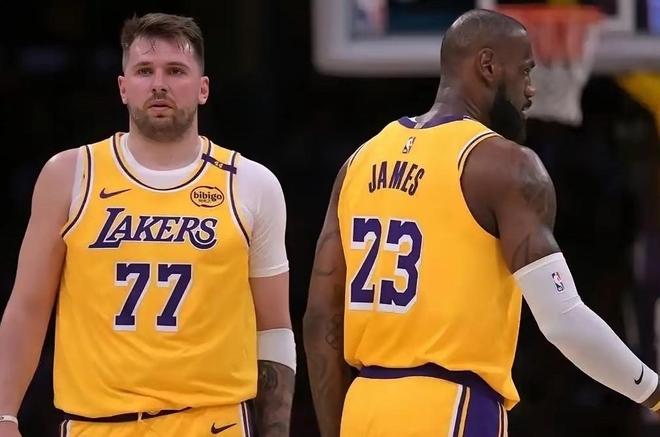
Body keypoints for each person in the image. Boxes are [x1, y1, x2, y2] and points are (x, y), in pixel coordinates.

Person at [303, 8, 660, 437]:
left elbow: (321, 320)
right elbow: (563, 319)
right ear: (488, 66)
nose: (531, 89)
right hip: (450, 406)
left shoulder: (358, 162)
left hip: (364, 407)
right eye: (525, 71)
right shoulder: (504, 165)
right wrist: (654, 393)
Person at [0, 12, 295, 437]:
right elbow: (28, 306)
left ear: (203, 88)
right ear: (123, 87)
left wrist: (277, 431)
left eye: (175, 71)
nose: (159, 84)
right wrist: (5, 415)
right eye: (144, 71)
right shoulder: (69, 174)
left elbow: (274, 326)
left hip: (213, 422)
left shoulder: (251, 182)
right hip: (95, 423)